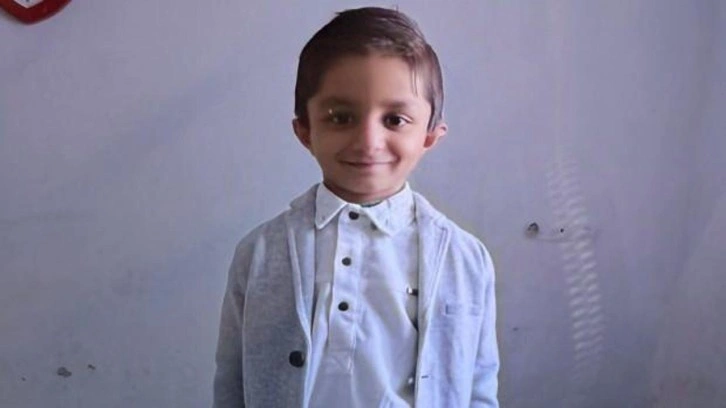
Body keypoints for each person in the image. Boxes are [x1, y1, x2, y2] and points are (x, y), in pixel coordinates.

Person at [213, 6, 499, 407]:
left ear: (429, 136)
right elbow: (231, 383)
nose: (368, 141)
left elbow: (479, 386)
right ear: (305, 131)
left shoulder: (466, 258)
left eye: (395, 119)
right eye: (340, 117)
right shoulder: (259, 253)